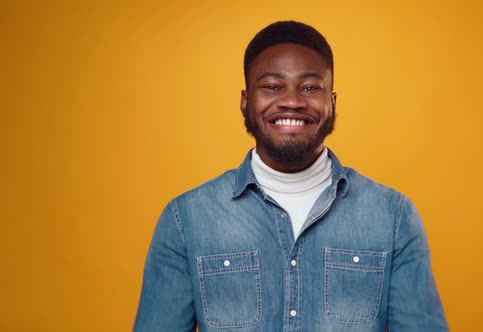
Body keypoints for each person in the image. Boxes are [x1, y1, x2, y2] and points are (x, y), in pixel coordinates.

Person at [134, 20, 448, 332]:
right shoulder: (186, 219)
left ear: (332, 102)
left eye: (310, 87)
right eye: (272, 86)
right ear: (246, 101)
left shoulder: (393, 217)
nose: (293, 101)